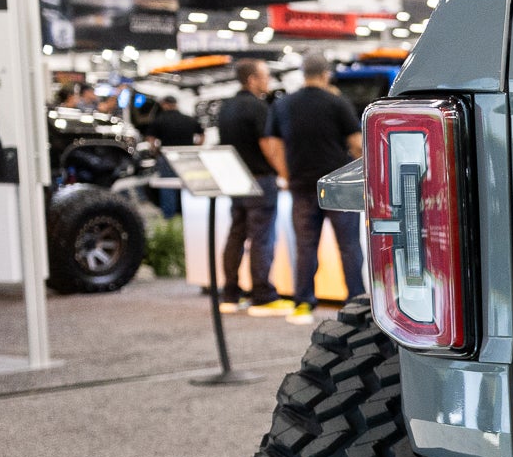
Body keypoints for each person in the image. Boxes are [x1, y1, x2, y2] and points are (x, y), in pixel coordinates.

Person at [262, 52, 363, 323]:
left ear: (303, 74)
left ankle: (303, 304)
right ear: (325, 74)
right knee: (349, 246)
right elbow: (357, 144)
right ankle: (356, 305)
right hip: (339, 187)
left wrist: (286, 173)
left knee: (305, 247)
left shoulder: (283, 104)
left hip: (301, 185)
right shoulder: (337, 102)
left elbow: (272, 144)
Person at [218, 60, 285, 315]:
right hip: (260, 180)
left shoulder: (226, 106)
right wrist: (284, 173)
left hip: (235, 179)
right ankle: (262, 295)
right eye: (265, 76)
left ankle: (230, 294)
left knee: (236, 235)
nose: (268, 81)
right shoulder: (258, 107)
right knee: (261, 238)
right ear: (252, 79)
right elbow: (268, 145)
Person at [145, 95, 202, 218]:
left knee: (168, 186)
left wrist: (156, 152)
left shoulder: (159, 120)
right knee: (188, 185)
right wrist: (195, 148)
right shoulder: (188, 119)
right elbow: (201, 135)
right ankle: (188, 214)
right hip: (187, 157)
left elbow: (151, 139)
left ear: (165, 104)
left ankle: (170, 217)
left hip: (167, 157)